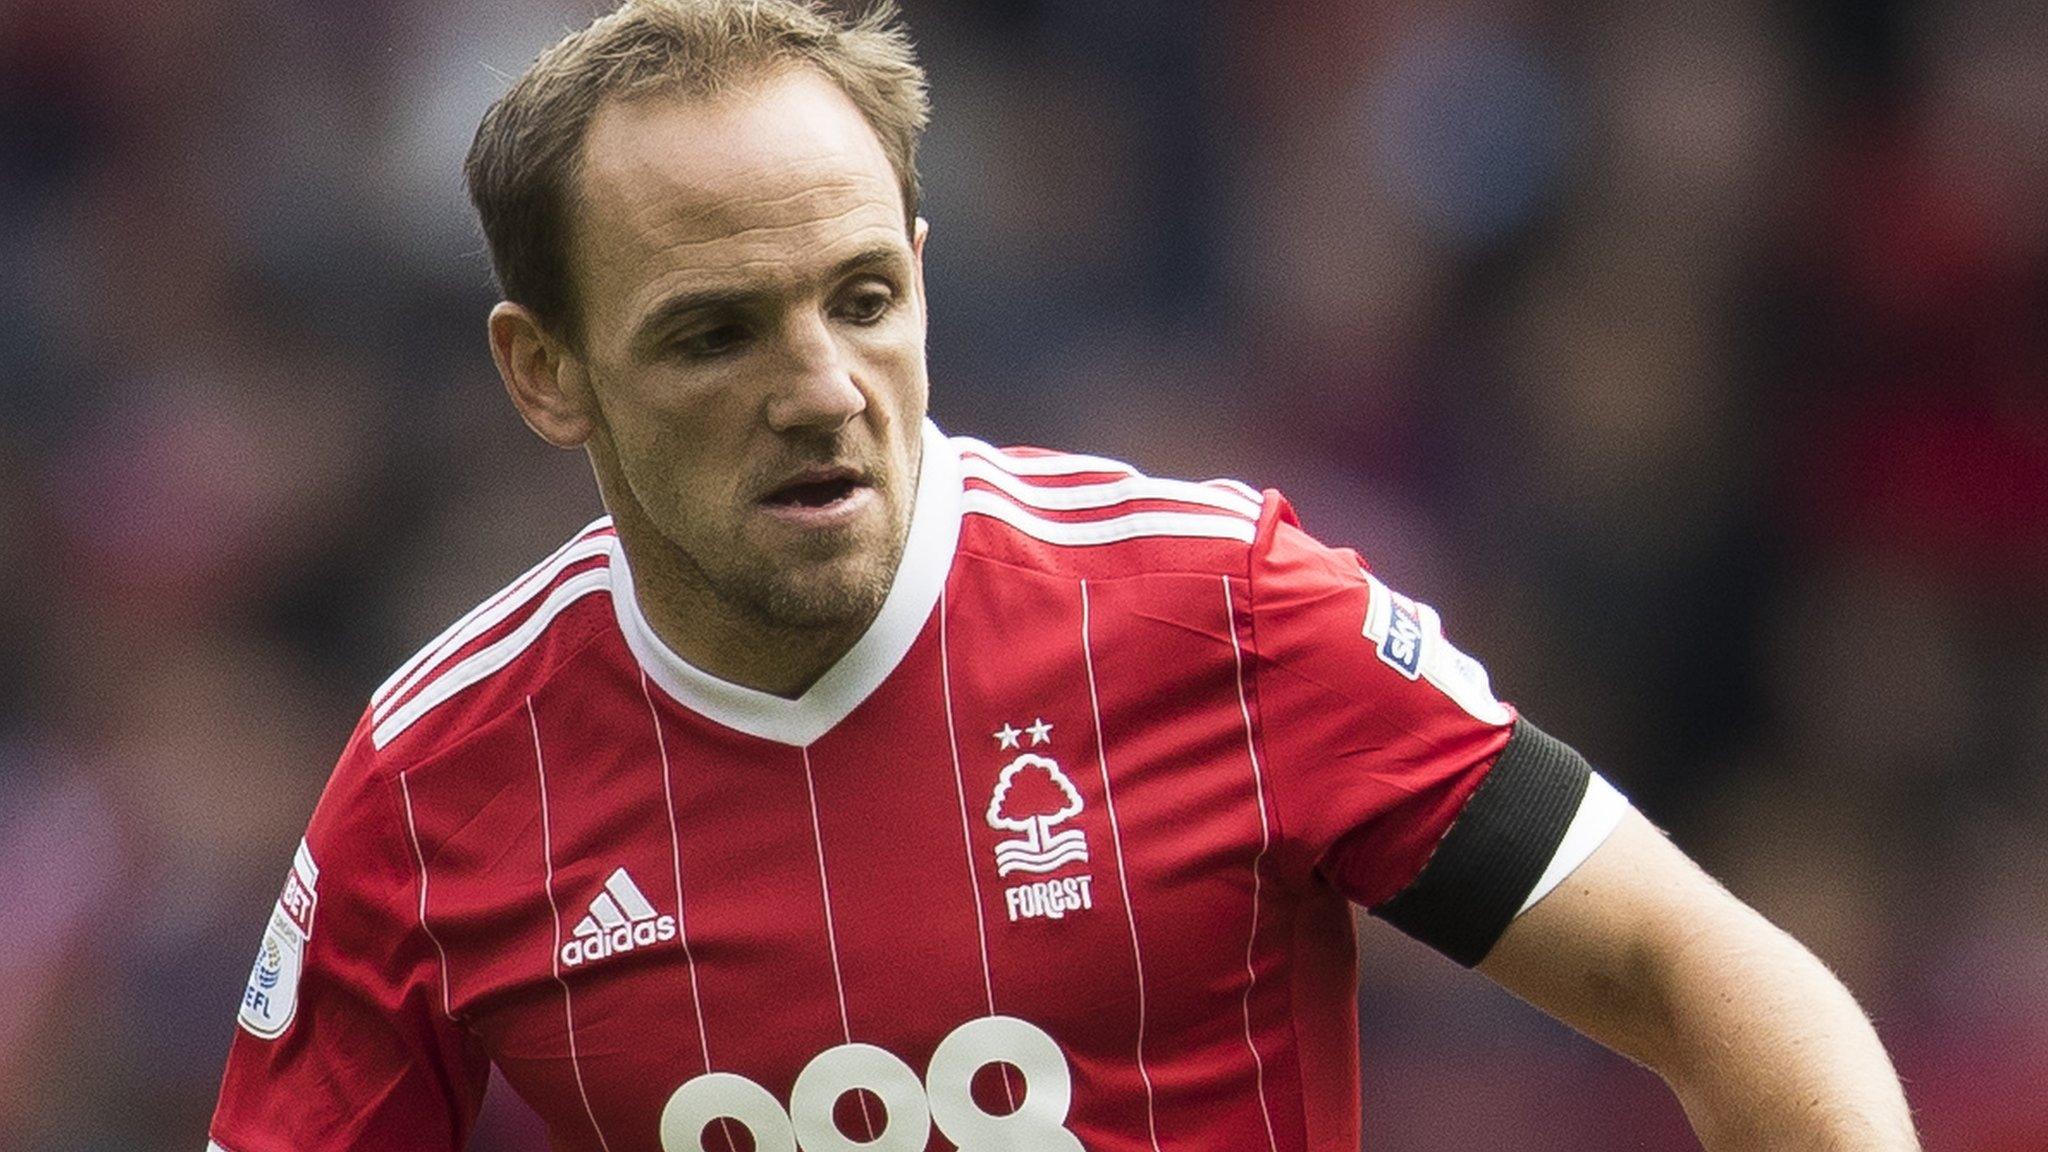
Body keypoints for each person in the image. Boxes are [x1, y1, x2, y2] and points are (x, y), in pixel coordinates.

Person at [206, 2, 1920, 1149]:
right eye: (714, 333)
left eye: (864, 298)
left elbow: (1713, 979)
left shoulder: (1217, 612)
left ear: (927, 274)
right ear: (543, 370)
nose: (818, 386)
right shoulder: (438, 785)